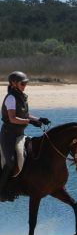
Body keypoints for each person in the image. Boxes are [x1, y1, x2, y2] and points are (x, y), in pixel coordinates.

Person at [0, 71, 50, 201]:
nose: (25, 85)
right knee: (10, 162)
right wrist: (29, 122)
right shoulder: (11, 98)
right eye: (22, 83)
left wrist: (39, 119)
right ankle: (1, 191)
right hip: (8, 136)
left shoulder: (22, 96)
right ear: (13, 84)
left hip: (20, 134)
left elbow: (25, 115)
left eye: (26, 83)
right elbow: (12, 118)